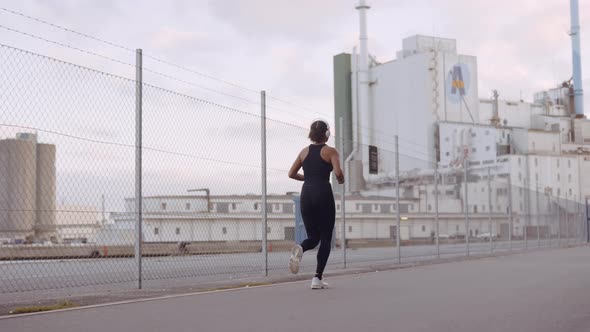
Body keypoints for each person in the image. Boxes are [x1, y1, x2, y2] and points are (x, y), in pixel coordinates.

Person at [287, 119, 344, 289]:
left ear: (311, 134)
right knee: (325, 237)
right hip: (323, 194)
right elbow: (338, 172)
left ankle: (300, 249)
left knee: (313, 237)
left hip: (306, 195)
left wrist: (309, 177)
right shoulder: (331, 151)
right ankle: (317, 278)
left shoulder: (304, 152)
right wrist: (341, 179)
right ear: (327, 133)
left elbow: (291, 173)